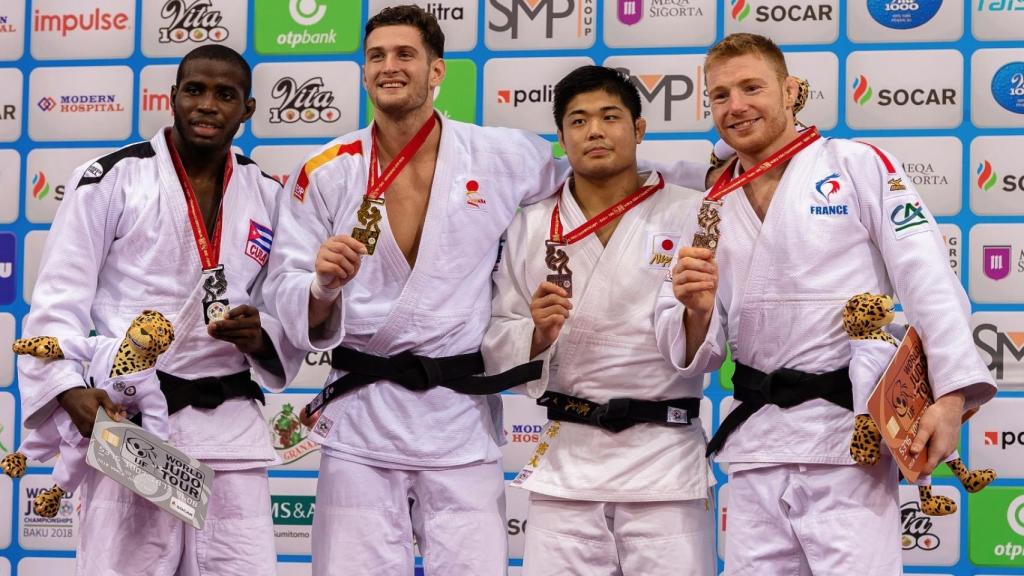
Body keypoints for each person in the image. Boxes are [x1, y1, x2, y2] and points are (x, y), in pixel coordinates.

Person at [264, 6, 714, 575]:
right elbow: (284, 284)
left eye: (405, 54)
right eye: (376, 56)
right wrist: (321, 287)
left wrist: (712, 173)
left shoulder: (502, 155)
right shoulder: (322, 169)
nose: (389, 66)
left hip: (459, 416)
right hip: (362, 416)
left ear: (437, 72)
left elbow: (603, 169)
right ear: (363, 71)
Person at [657, 33, 996, 575]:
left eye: (752, 87)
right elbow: (694, 349)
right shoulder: (709, 204)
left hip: (849, 438)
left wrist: (951, 399)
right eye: (720, 96)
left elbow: (928, 279)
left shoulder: (858, 164)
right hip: (755, 442)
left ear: (791, 91)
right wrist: (694, 310)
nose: (736, 105)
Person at [18, 45, 301, 576]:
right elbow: (57, 301)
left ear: (248, 109)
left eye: (225, 94)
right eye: (194, 90)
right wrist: (67, 388)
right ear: (171, 96)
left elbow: (282, 306)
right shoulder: (110, 179)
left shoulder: (267, 193)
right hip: (133, 423)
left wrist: (262, 336)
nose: (207, 105)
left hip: (230, 430)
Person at [482, 65, 715, 576]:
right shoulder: (530, 224)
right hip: (567, 464)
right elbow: (498, 337)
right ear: (561, 139)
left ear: (639, 129)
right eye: (578, 121)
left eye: (610, 117)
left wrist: (699, 313)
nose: (595, 131)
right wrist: (536, 334)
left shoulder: (695, 212)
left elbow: (714, 342)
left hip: (665, 463)